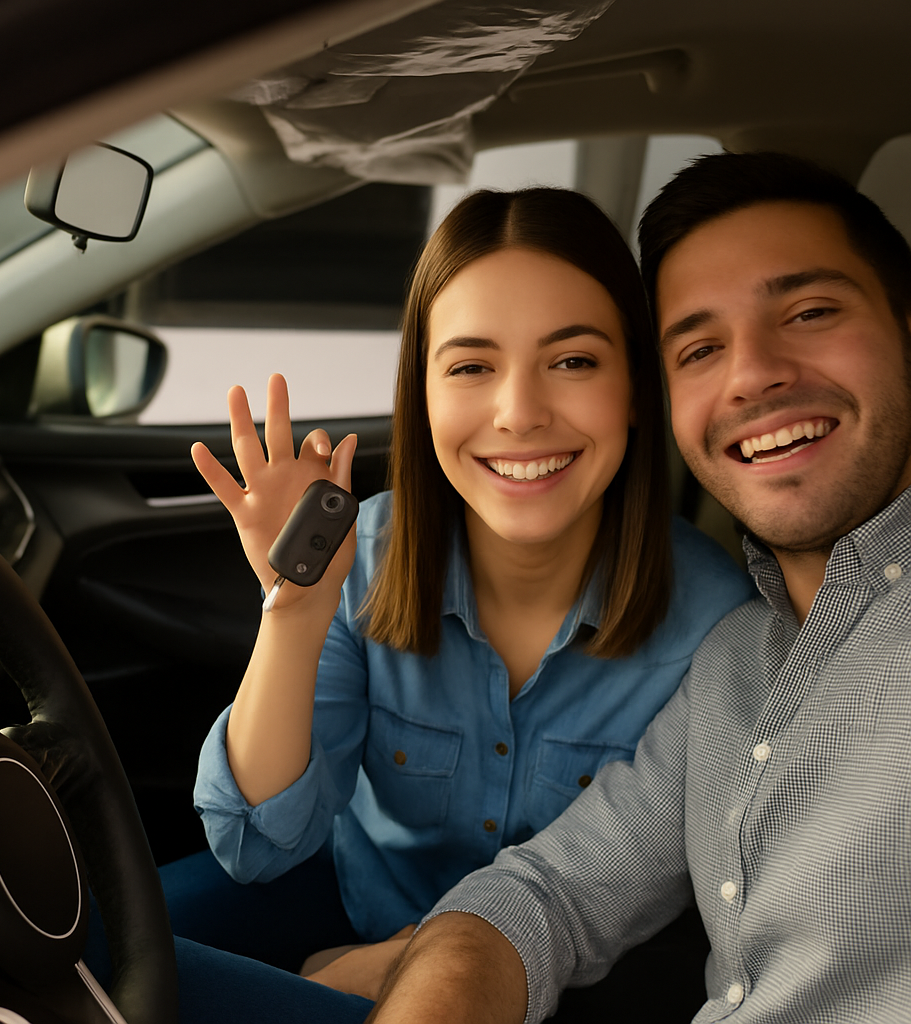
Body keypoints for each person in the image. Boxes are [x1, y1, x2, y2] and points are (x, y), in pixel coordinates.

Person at [358, 151, 911, 1023]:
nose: (751, 373)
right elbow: (547, 896)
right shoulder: (736, 662)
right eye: (699, 347)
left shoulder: (705, 612)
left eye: (809, 312)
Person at [163, 186, 752, 999]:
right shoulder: (364, 550)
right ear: (423, 393)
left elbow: (639, 910)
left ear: (636, 390)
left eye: (573, 361)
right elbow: (257, 844)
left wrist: (393, 973)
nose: (519, 413)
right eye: (472, 366)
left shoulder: (719, 627)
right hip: (361, 904)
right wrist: (294, 607)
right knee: (86, 948)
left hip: (566, 980)